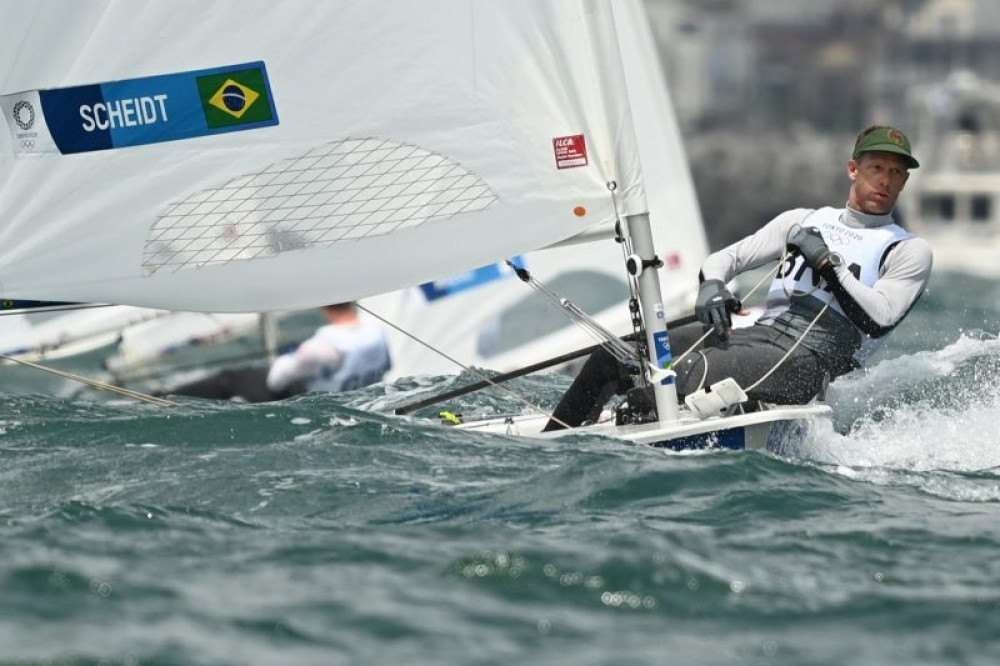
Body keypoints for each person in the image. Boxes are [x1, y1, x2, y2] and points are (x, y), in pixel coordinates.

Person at [545, 125, 933, 430]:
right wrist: (713, 286)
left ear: (903, 182)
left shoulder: (907, 250)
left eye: (896, 173)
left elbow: (879, 319)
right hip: (757, 337)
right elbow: (725, 258)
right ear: (853, 169)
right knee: (614, 357)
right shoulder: (801, 220)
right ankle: (554, 447)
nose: (885, 180)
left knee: (666, 386)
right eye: (876, 168)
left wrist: (827, 265)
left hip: (812, 361)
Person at [166, 302, 391, 402]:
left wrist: (288, 359)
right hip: (354, 396)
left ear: (324, 305)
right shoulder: (377, 332)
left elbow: (277, 380)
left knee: (229, 379)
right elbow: (387, 365)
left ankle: (162, 398)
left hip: (306, 395)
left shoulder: (325, 345)